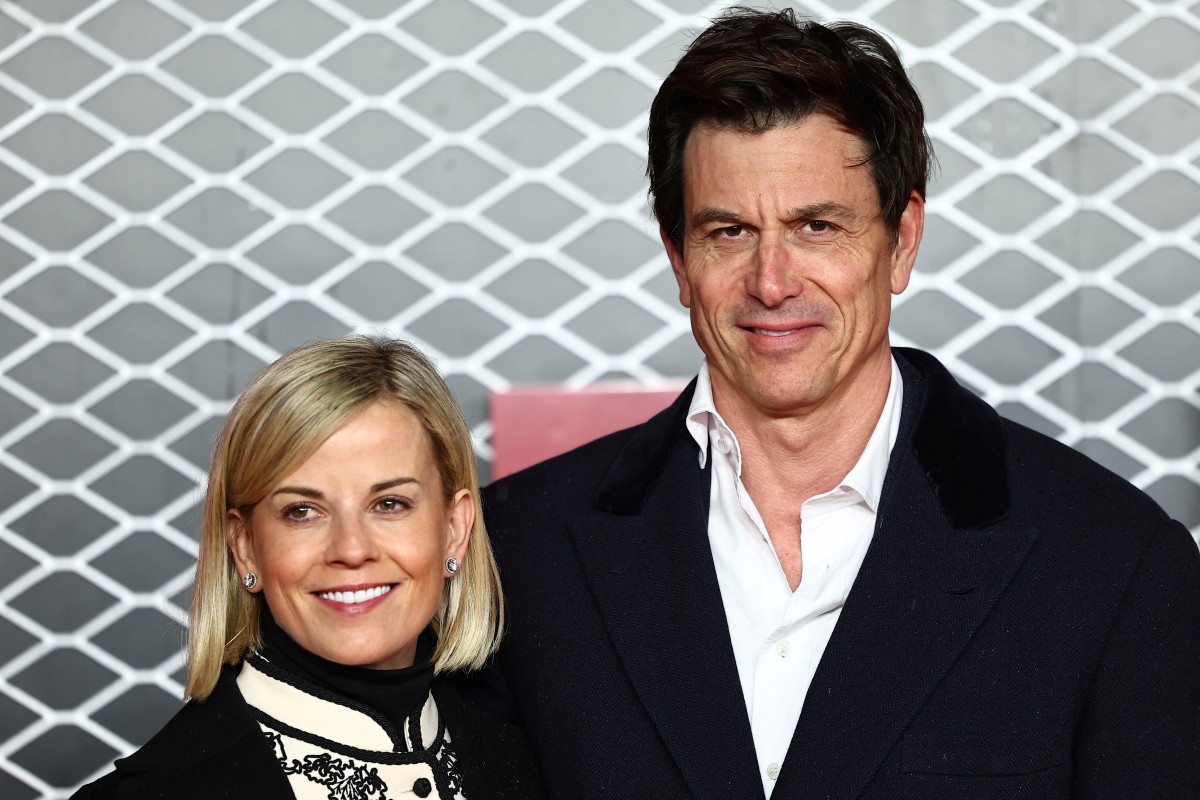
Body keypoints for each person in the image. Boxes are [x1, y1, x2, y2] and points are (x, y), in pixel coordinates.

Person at [475, 7, 1200, 799]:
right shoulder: (520, 551)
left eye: (816, 226)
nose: (773, 281)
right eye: (728, 232)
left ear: (903, 241)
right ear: (679, 261)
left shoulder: (1112, 562)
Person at [75, 336, 544, 799]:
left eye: (390, 504)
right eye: (302, 511)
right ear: (245, 547)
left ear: (455, 529)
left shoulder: (536, 764)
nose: (352, 548)